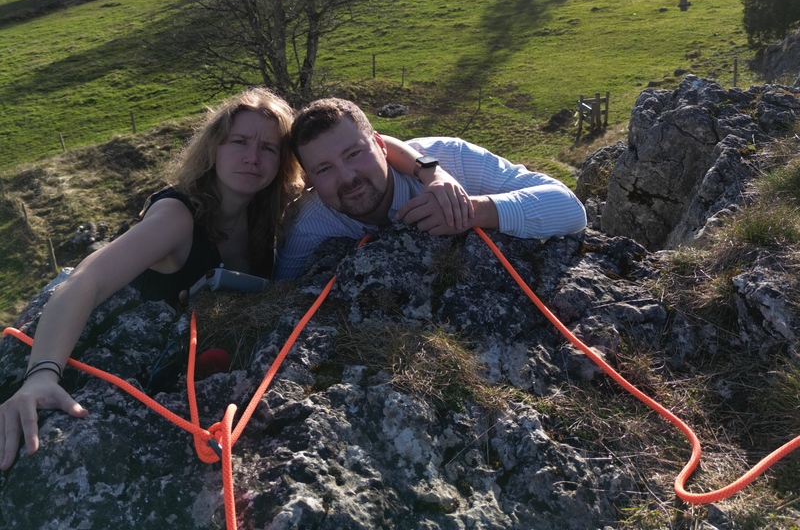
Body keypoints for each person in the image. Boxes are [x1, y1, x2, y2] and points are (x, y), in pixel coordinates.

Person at [0, 87, 305, 471]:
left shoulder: (268, 216)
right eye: (239, 141)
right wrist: (42, 375)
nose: (252, 157)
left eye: (269, 148)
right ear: (213, 148)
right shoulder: (177, 217)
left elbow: (344, 166)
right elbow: (86, 279)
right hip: (117, 372)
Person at [274, 98, 587, 280]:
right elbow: (280, 294)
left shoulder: (453, 158)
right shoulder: (311, 222)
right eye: (324, 169)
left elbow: (569, 208)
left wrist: (469, 211)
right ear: (309, 178)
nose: (346, 177)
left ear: (381, 145)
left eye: (354, 154)